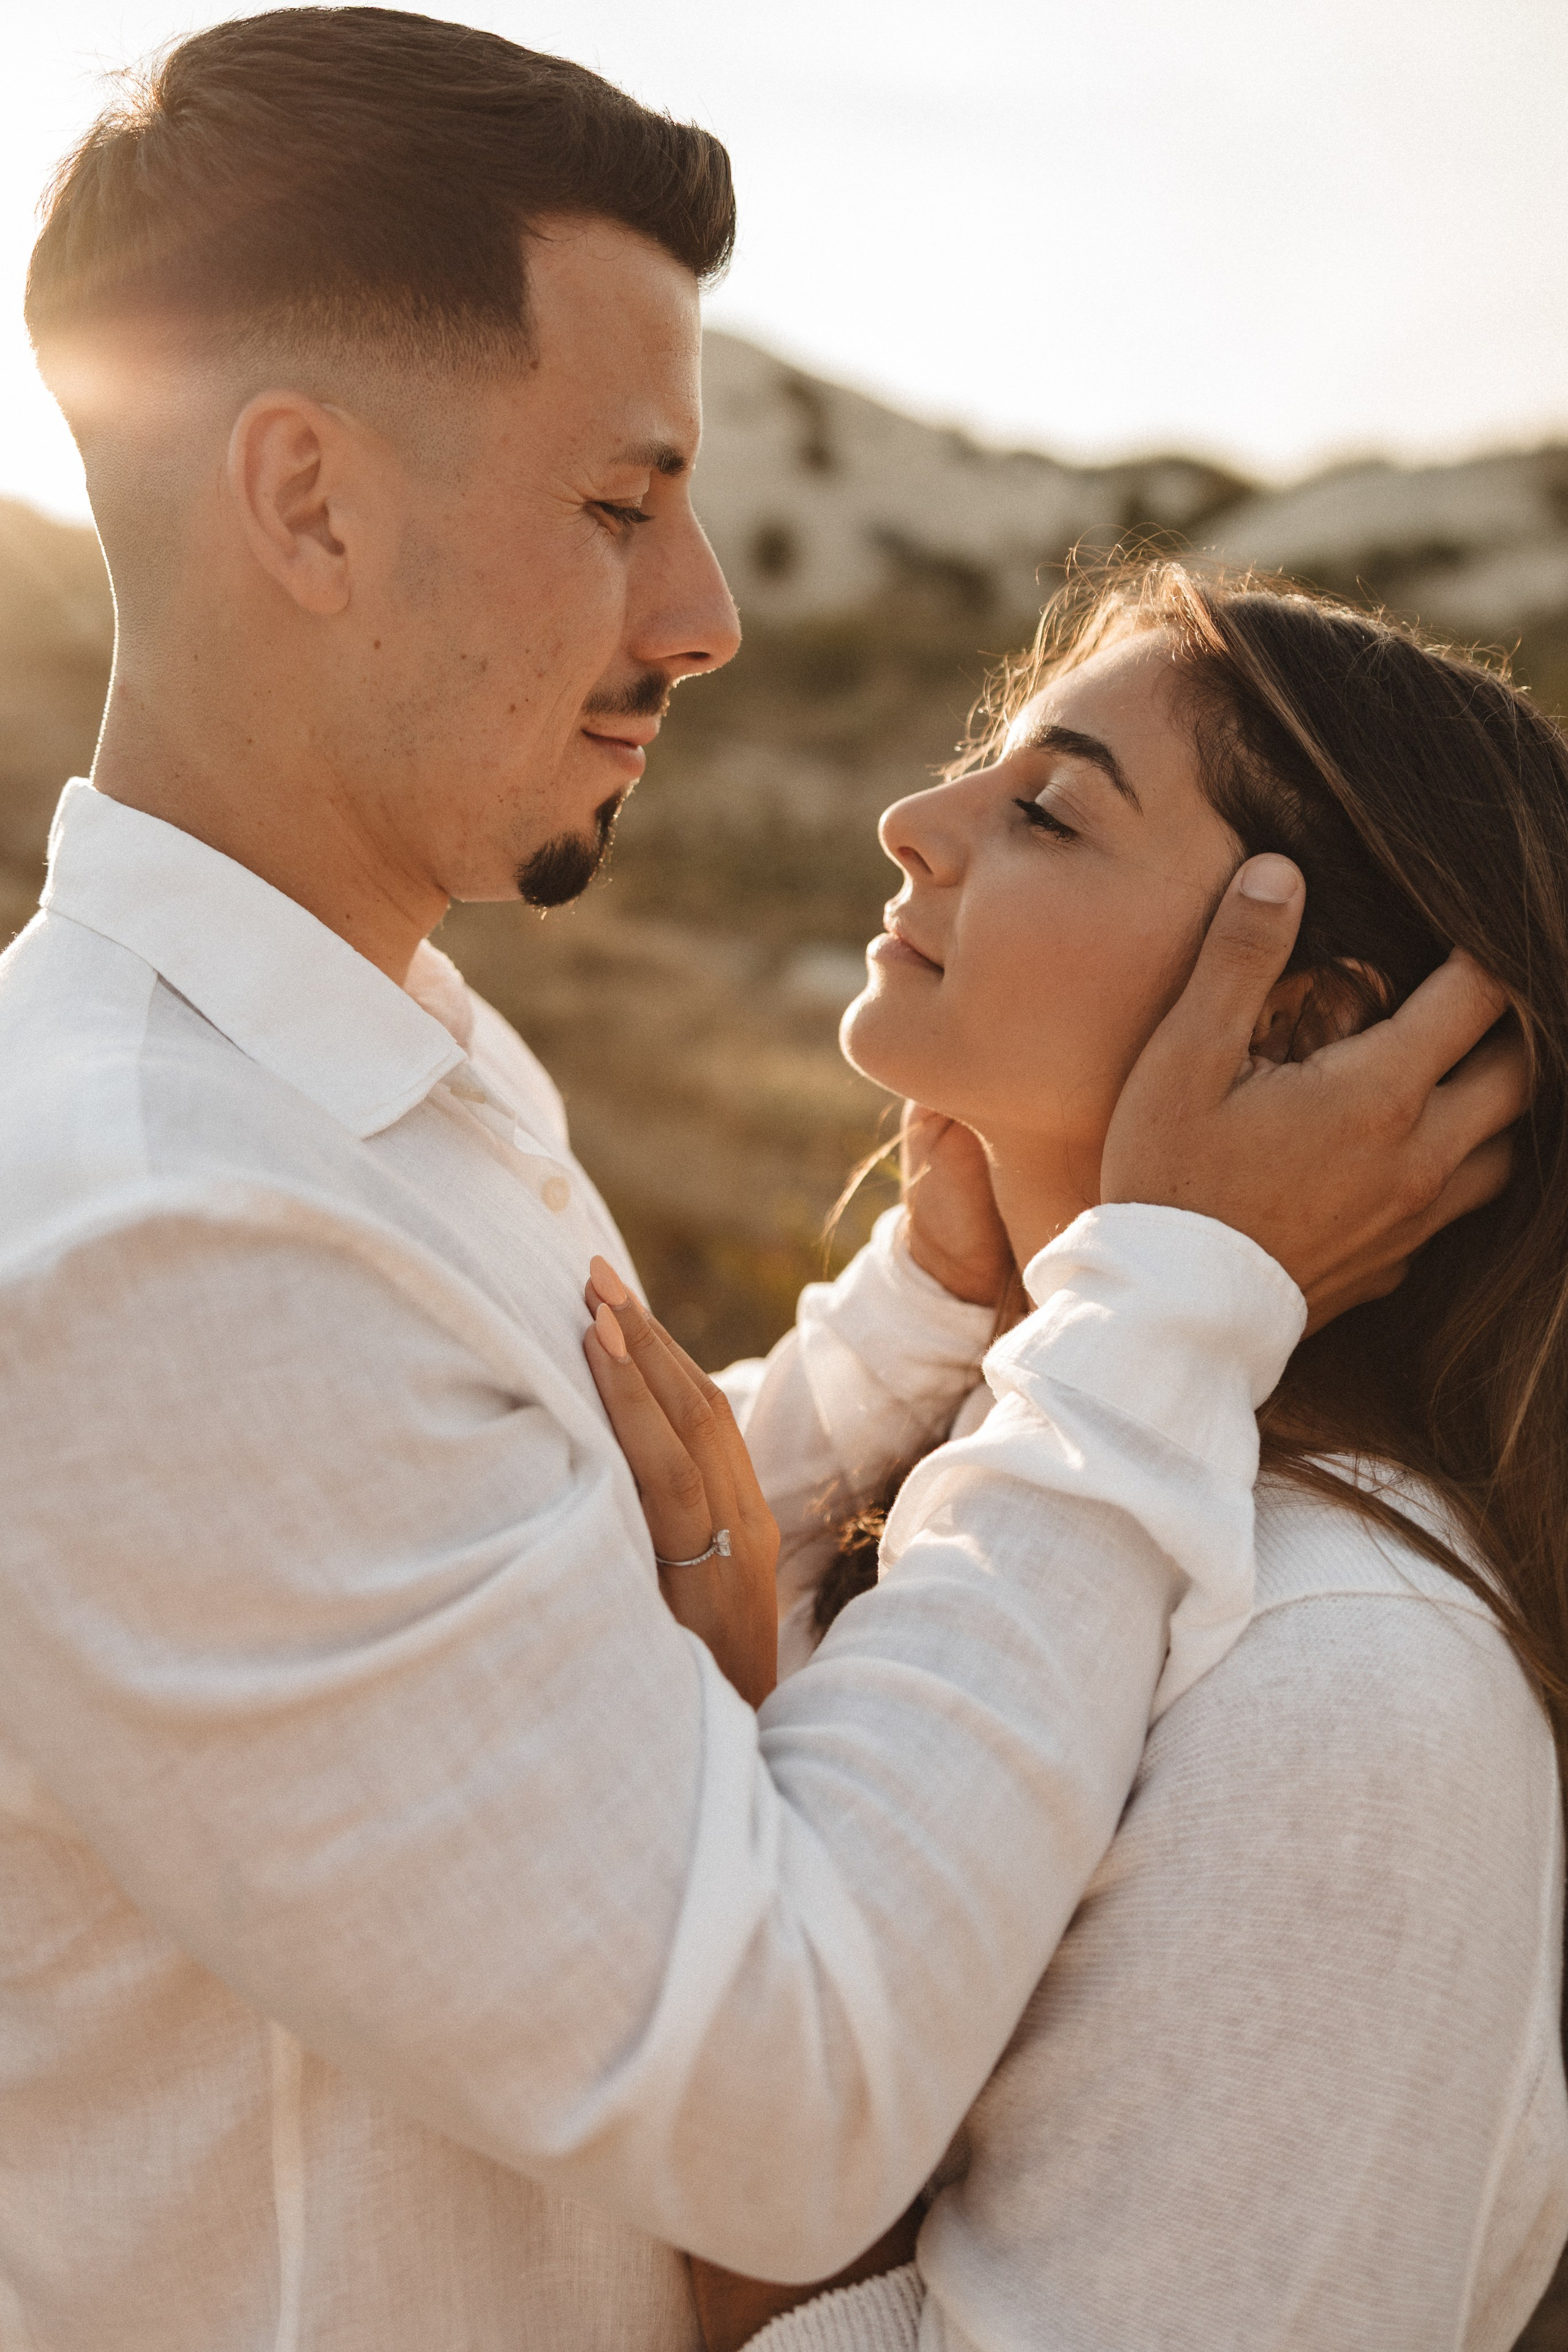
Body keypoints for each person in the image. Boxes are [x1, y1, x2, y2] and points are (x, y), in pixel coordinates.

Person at [0, 13, 1525, 2347]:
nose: (705, 612)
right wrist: (1162, 1302)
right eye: (620, 507)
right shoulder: (163, 1231)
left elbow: (481, 1544)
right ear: (305, 502)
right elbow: (787, 2083)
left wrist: (922, 1333)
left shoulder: (368, 1076)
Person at [584, 565, 1568, 2350]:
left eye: (1044, 810)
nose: (914, 821)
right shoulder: (987, 1466)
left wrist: (714, 1730)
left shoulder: (1349, 1690)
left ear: (1303, 1028)